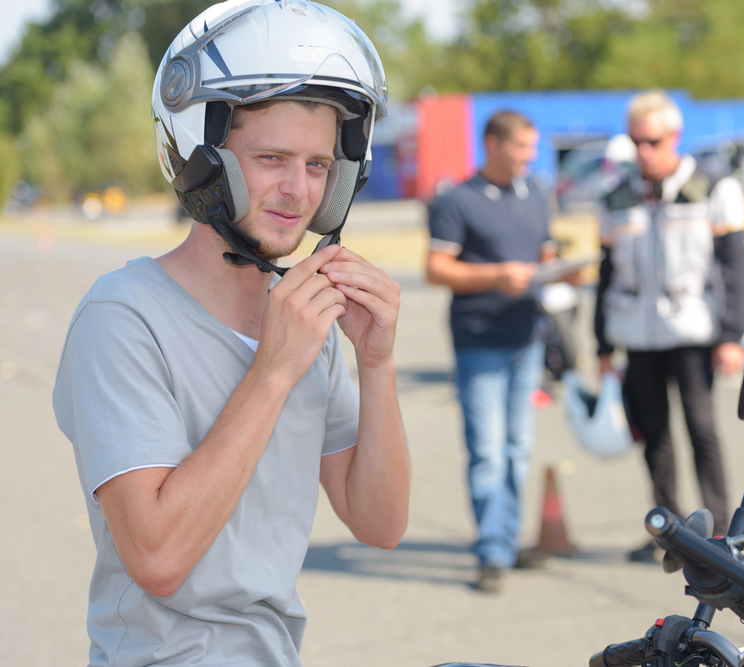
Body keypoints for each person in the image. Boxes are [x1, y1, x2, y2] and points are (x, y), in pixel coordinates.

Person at [52, 1, 410, 664]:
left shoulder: (306, 320)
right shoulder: (123, 317)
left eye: (317, 165)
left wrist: (377, 361)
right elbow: (157, 556)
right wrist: (272, 372)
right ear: (201, 158)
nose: (298, 191)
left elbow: (380, 523)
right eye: (271, 156)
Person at [594, 90, 744, 559]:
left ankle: (723, 534)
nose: (644, 151)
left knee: (701, 429)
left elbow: (738, 269)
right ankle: (670, 534)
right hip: (637, 337)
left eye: (653, 142)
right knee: (654, 435)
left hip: (693, 332)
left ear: (675, 138)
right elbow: (605, 275)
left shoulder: (714, 189)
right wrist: (601, 344)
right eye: (636, 142)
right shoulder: (615, 198)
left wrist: (732, 336)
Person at [425, 111, 556, 592]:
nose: (529, 156)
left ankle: (505, 537)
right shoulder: (458, 201)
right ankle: (491, 551)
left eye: (531, 147)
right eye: (522, 146)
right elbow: (436, 268)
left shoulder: (537, 196)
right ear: (492, 144)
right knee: (487, 452)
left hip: (527, 338)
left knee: (518, 448)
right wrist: (497, 276)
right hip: (479, 339)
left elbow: (545, 255)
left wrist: (565, 270)